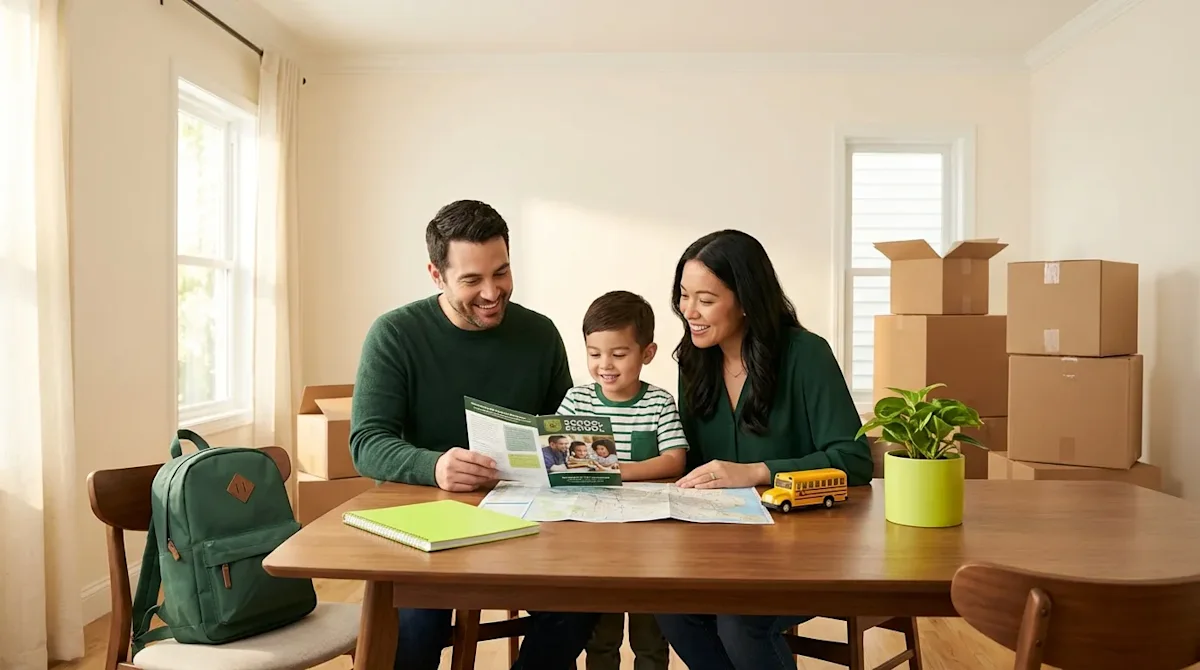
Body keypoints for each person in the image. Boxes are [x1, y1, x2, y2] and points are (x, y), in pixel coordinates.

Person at [348, 199, 600, 670]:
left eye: (501, 272)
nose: (491, 291)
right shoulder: (395, 334)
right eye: (471, 280)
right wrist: (435, 465)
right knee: (418, 623)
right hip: (426, 524)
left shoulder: (540, 334)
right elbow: (367, 442)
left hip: (525, 523)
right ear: (436, 274)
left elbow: (560, 434)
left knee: (579, 603)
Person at [654, 229, 873, 670]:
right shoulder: (694, 361)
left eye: (706, 300)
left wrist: (757, 471)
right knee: (669, 606)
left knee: (739, 619)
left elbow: (854, 461)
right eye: (683, 296)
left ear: (746, 300)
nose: (688, 312)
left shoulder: (806, 355)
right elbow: (698, 464)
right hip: (724, 548)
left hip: (807, 546)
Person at [554, 290, 688, 670]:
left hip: (649, 537)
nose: (605, 365)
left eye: (618, 354)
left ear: (647, 353)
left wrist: (619, 470)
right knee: (601, 632)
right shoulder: (578, 399)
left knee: (649, 634)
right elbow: (558, 451)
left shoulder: (658, 403)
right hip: (594, 538)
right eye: (594, 354)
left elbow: (675, 459)